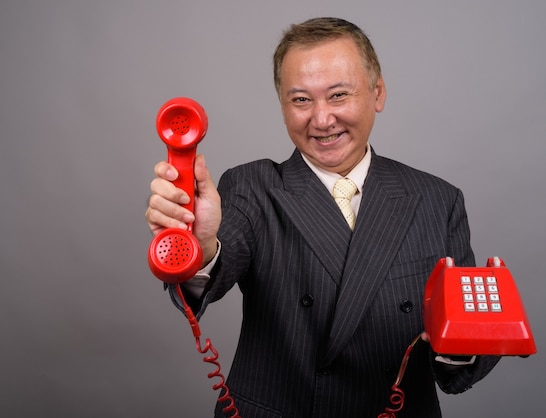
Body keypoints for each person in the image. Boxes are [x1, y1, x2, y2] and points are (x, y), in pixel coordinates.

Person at [146, 17, 500, 417]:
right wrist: (201, 245)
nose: (321, 119)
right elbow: (206, 281)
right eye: (300, 100)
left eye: (338, 95)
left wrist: (468, 340)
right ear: (282, 105)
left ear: (378, 93)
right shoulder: (252, 186)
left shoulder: (438, 199)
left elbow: (455, 374)